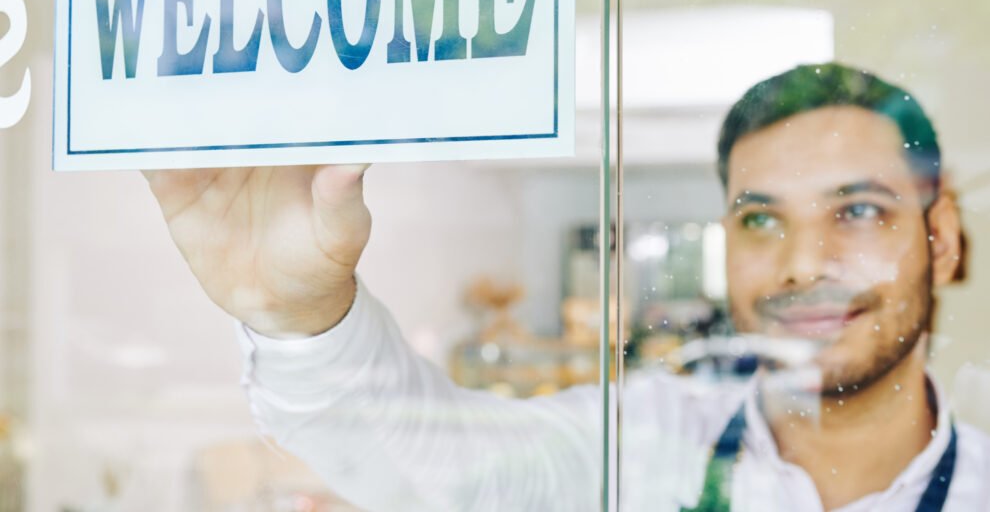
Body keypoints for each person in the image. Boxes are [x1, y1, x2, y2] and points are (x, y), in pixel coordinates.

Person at [146, 62, 990, 511]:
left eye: (858, 212)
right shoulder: (644, 447)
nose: (803, 265)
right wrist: (300, 320)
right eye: (761, 220)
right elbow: (438, 466)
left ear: (942, 239)